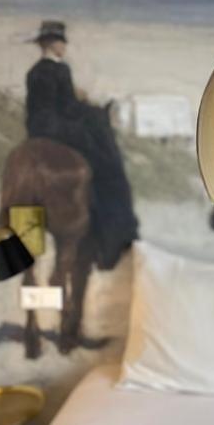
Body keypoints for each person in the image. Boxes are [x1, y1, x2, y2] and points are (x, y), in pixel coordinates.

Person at [24, 20, 138, 269]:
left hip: (35, 129)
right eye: (61, 42)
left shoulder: (33, 72)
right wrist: (93, 110)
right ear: (52, 44)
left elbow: (40, 107)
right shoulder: (61, 69)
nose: (64, 47)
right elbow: (67, 108)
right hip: (56, 129)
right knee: (103, 152)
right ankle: (111, 234)